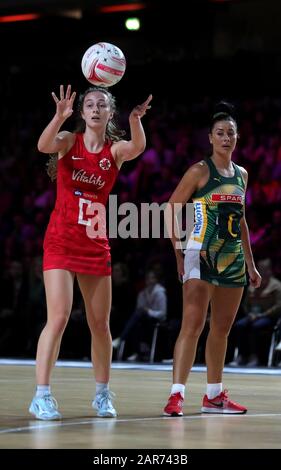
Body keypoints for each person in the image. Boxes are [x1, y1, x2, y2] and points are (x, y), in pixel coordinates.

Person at [29, 84, 152, 420]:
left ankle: (101, 395)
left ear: (110, 113)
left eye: (102, 105)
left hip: (95, 244)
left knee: (100, 324)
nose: (96, 109)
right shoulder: (69, 140)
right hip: (60, 241)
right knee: (58, 318)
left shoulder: (114, 151)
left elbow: (138, 146)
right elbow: (43, 146)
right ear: (82, 113)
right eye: (90, 105)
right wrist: (58, 118)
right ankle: (41, 395)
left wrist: (136, 119)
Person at [163, 101, 262, 417]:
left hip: (232, 258)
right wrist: (179, 252)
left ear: (237, 137)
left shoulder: (242, 174)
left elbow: (242, 221)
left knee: (221, 329)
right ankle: (177, 395)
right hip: (199, 253)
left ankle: (214, 396)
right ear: (210, 138)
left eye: (230, 133)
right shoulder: (199, 171)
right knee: (191, 325)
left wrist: (251, 263)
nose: (225, 138)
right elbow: (170, 208)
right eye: (220, 133)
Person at [231, 258, 281, 366]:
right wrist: (250, 314)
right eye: (260, 269)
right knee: (239, 326)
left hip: (269, 317)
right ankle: (241, 356)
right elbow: (245, 303)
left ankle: (255, 357)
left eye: (265, 269)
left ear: (270, 270)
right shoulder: (253, 284)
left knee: (256, 327)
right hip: (252, 316)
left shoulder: (276, 286)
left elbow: (278, 306)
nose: (262, 271)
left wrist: (262, 315)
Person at [112, 269, 167, 360]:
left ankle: (121, 339)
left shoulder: (160, 293)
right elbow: (138, 310)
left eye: (152, 278)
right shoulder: (142, 294)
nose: (149, 281)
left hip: (157, 320)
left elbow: (162, 313)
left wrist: (148, 311)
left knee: (138, 316)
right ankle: (139, 352)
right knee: (136, 324)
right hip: (143, 320)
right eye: (148, 278)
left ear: (156, 280)